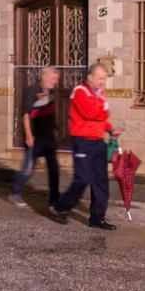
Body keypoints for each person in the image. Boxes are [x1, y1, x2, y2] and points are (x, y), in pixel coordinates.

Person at [51, 63, 122, 230]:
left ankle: (97, 218)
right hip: (82, 141)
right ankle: (62, 207)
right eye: (100, 78)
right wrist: (104, 112)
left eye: (104, 79)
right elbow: (90, 113)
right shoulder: (80, 92)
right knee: (82, 179)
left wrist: (110, 128)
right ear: (90, 77)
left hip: (97, 141)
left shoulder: (99, 94)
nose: (102, 82)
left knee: (100, 181)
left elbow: (99, 118)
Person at [8, 66, 60, 209]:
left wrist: (55, 128)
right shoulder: (32, 90)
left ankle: (54, 201)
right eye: (53, 78)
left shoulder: (51, 91)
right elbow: (25, 114)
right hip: (35, 137)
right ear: (45, 77)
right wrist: (29, 135)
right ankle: (15, 192)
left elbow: (50, 111)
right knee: (28, 167)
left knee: (54, 169)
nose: (55, 82)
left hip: (48, 137)